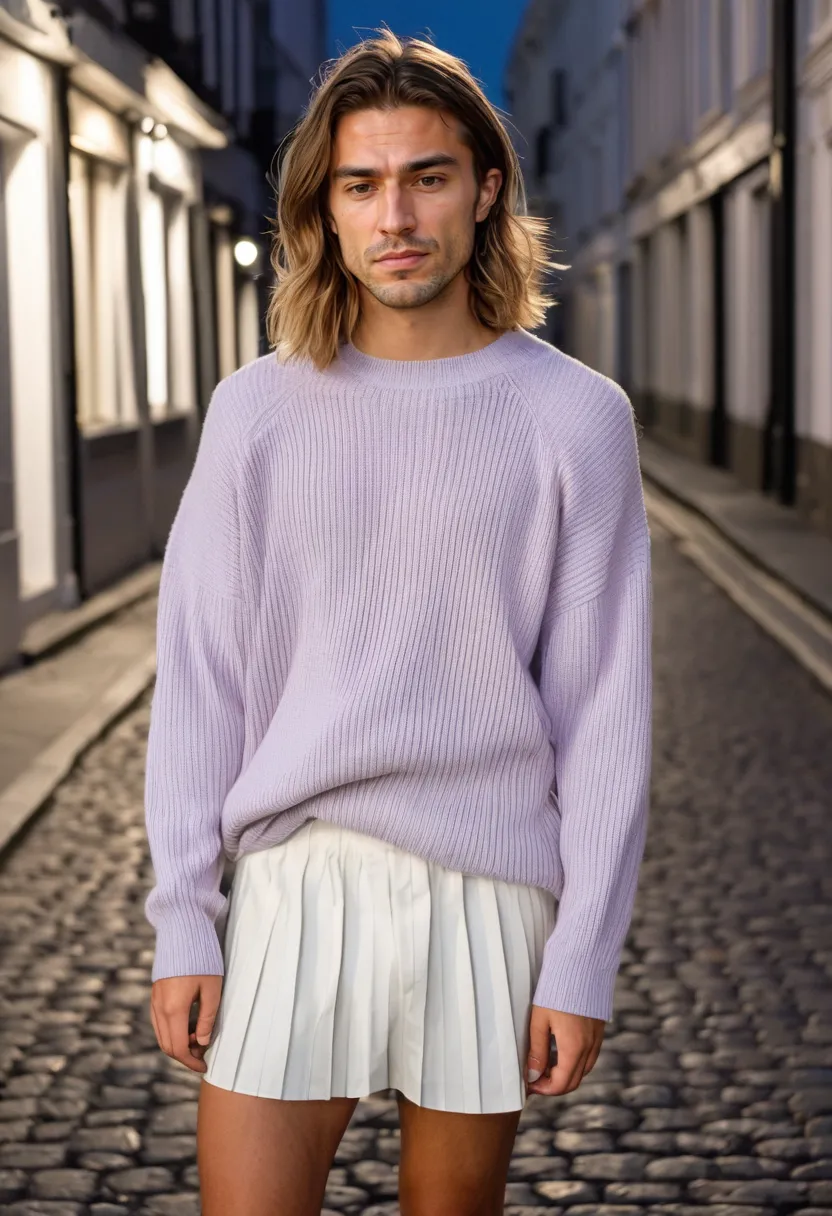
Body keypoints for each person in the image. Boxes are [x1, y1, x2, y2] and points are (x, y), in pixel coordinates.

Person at [143, 25, 653, 1216]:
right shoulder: (257, 412)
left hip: (488, 887)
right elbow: (202, 680)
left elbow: (605, 712)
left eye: (427, 176)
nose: (397, 217)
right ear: (325, 210)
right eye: (361, 185)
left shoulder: (576, 417)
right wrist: (186, 920)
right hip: (295, 880)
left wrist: (581, 954)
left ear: (486, 189)